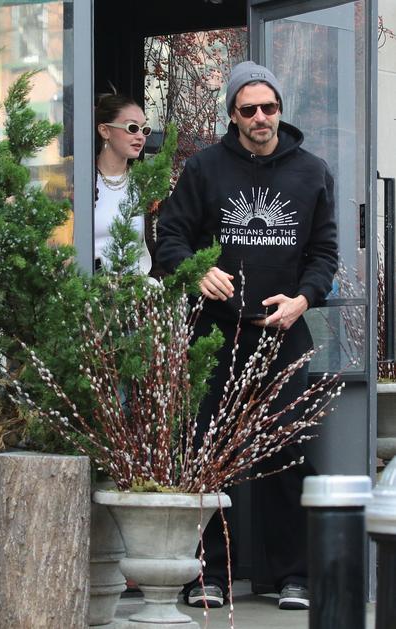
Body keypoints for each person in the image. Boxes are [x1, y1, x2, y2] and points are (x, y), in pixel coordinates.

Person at [156, 61, 338, 611]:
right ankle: (207, 574)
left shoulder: (312, 172)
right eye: (249, 109)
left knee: (285, 454)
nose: (261, 117)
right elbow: (169, 238)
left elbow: (324, 252)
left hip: (284, 338)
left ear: (280, 109)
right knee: (208, 453)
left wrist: (303, 299)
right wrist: (195, 270)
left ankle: (293, 576)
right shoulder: (204, 168)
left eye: (270, 107)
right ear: (233, 115)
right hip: (216, 336)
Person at [94, 93, 154, 273]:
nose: (140, 136)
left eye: (144, 130)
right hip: (85, 284)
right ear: (105, 131)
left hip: (134, 285)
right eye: (132, 128)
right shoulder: (73, 183)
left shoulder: (145, 183)